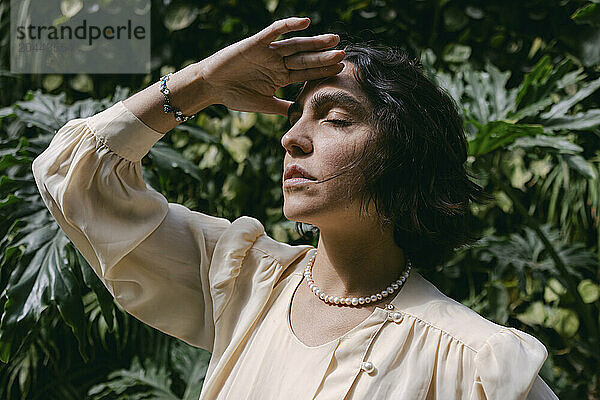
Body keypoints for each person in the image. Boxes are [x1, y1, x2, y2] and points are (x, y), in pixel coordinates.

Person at [32, 16, 558, 400]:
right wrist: (201, 85)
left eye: (334, 117)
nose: (292, 139)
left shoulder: (475, 363)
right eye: (297, 115)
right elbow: (75, 179)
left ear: (404, 153)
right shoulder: (240, 280)